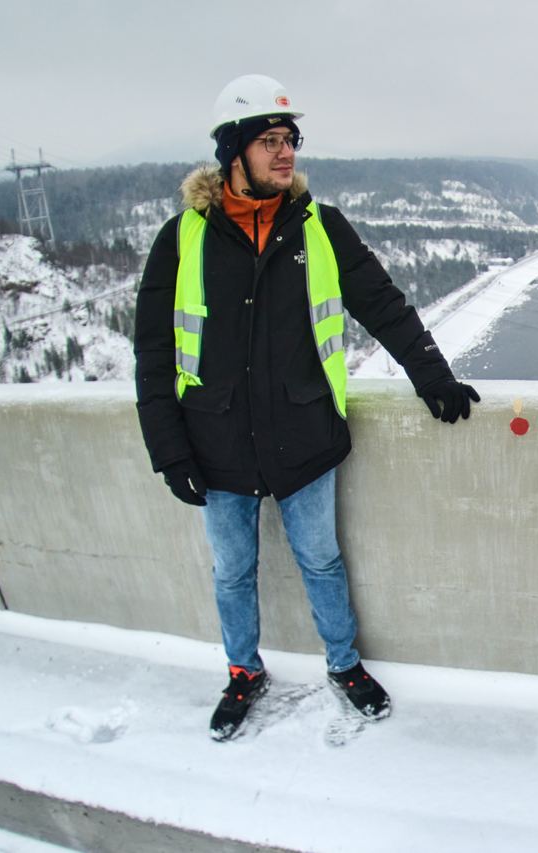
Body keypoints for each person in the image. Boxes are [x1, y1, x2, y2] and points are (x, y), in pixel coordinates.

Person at [133, 74, 479, 741]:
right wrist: (168, 449)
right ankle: (243, 672)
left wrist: (432, 375)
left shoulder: (320, 227)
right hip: (215, 440)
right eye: (270, 140)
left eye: (290, 139)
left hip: (305, 433)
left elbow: (382, 303)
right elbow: (152, 351)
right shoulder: (182, 238)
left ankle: (344, 665)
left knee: (321, 560)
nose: (286, 151)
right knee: (233, 571)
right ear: (233, 151)